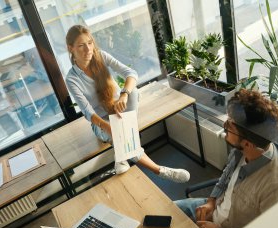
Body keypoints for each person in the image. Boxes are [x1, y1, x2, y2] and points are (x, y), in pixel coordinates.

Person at [174, 89, 278, 228]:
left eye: (230, 125)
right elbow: (226, 176)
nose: (224, 125)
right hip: (214, 207)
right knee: (167, 210)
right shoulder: (241, 151)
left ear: (248, 143)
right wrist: (211, 201)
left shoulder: (276, 189)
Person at [65, 24, 190, 183]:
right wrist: (109, 127)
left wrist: (123, 96)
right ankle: (160, 170)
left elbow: (131, 74)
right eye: (81, 45)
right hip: (102, 122)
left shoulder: (101, 56)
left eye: (90, 43)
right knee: (122, 134)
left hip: (119, 109)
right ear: (71, 48)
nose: (88, 49)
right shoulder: (72, 79)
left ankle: (120, 155)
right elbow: (88, 112)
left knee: (133, 92)